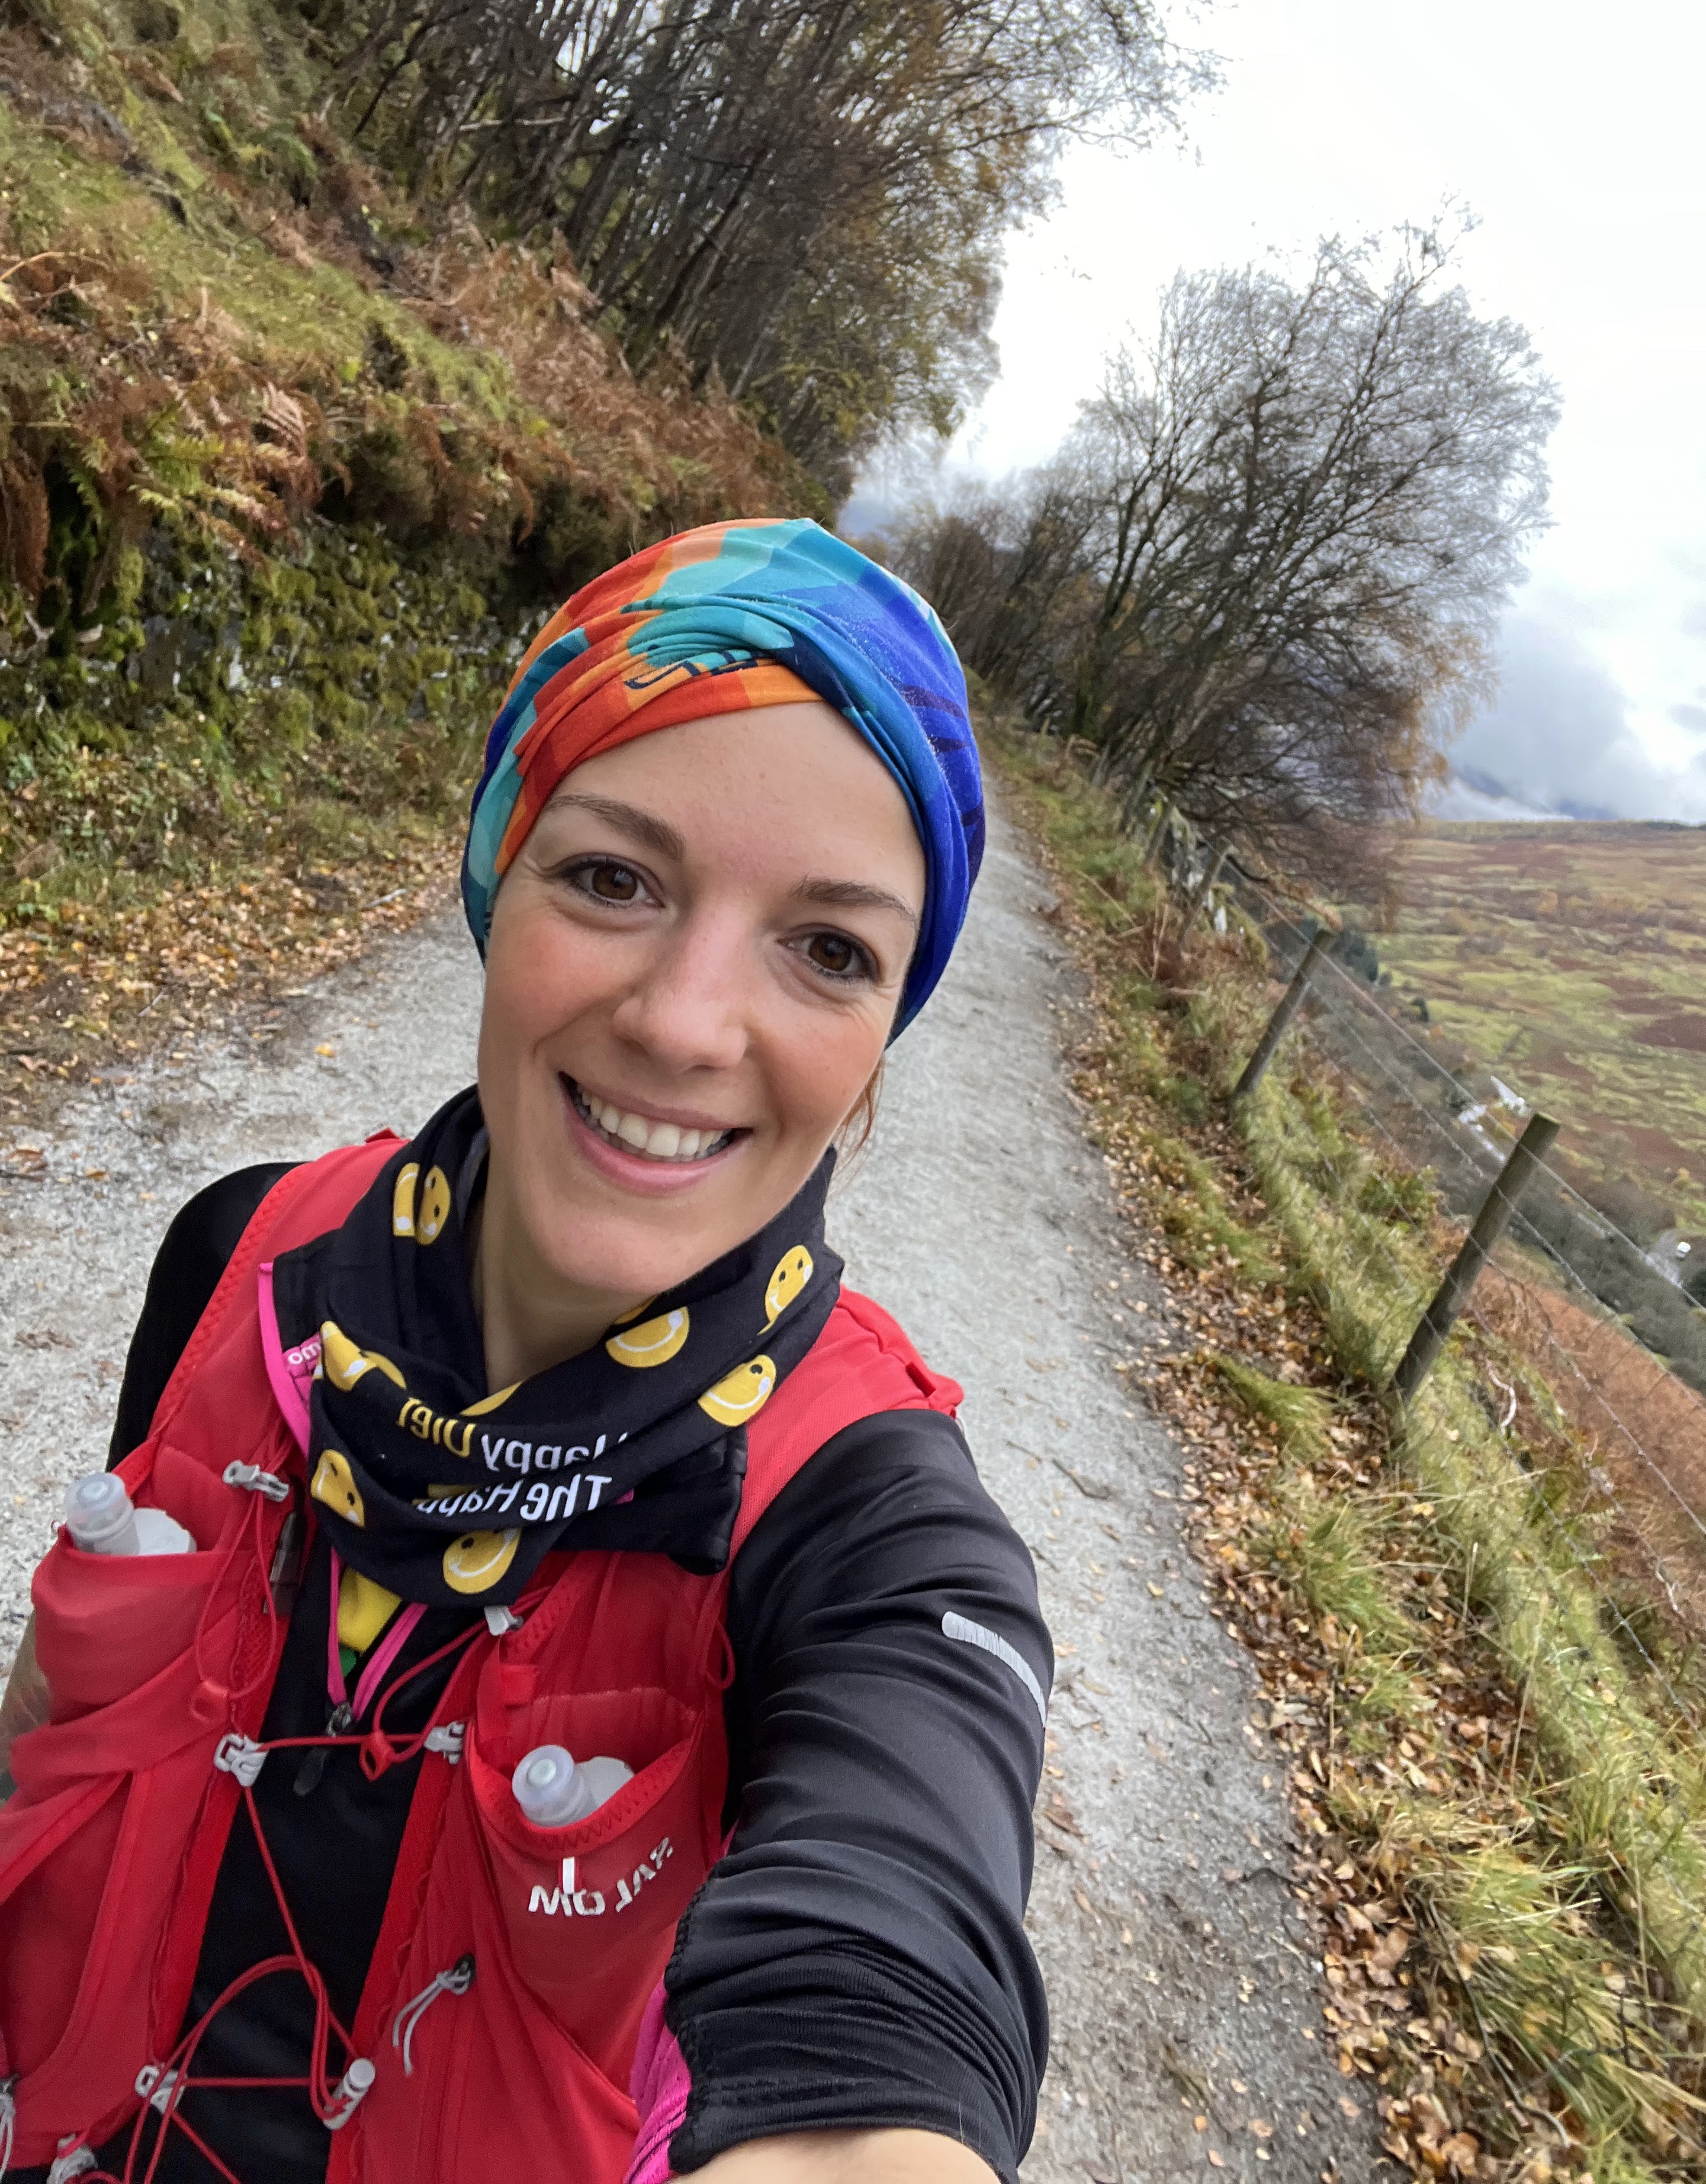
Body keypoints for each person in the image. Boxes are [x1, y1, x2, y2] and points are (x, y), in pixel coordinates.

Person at [0, 519, 1050, 2184]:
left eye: (828, 949)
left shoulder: (863, 1529)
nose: (687, 1023)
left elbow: (892, 1956)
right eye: (615, 878)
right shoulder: (238, 1258)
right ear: (499, 879)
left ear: (876, 1049)